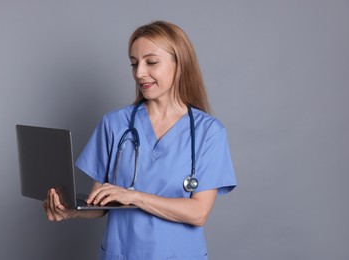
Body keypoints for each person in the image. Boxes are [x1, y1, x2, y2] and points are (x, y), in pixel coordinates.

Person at [44, 20, 236, 259]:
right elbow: (101, 203)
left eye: (151, 62)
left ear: (180, 64)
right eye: (134, 64)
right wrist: (73, 210)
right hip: (122, 253)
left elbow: (198, 213)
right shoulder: (114, 124)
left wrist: (134, 196)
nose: (139, 73)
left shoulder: (209, 132)